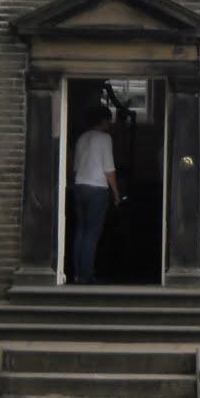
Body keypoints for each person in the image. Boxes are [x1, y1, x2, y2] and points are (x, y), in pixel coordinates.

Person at [68, 105, 120, 285]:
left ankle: (76, 274)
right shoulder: (105, 139)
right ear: (104, 121)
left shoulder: (82, 138)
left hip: (80, 186)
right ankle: (86, 274)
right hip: (97, 188)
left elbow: (74, 167)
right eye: (109, 120)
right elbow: (109, 169)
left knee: (80, 231)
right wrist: (116, 194)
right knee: (92, 233)